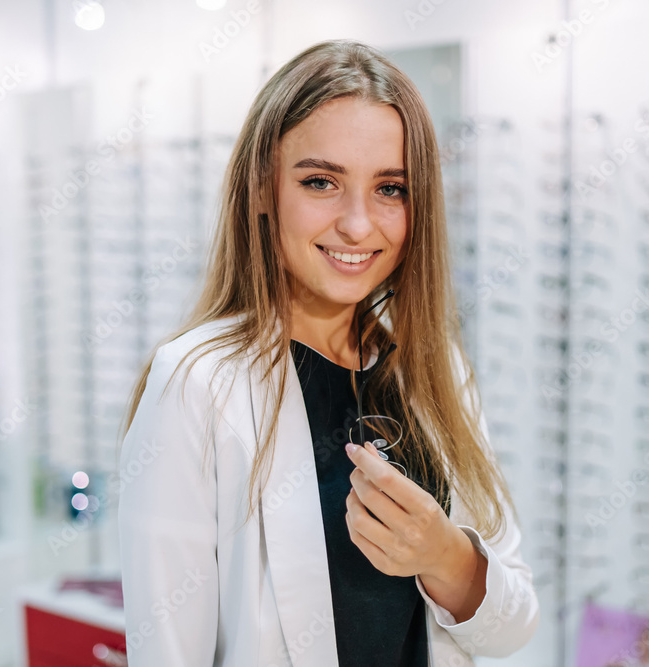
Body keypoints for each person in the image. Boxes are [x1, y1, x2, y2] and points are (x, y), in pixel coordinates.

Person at [116, 38, 539, 666]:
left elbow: (513, 626)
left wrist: (445, 555)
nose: (358, 224)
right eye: (321, 181)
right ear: (262, 189)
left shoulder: (435, 368)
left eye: (390, 188)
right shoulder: (197, 384)